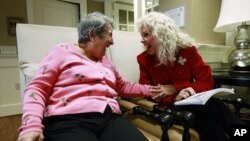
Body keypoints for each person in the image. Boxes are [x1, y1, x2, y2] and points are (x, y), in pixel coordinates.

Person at [17, 12, 164, 141]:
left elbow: (122, 86)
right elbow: (37, 88)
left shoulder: (106, 61)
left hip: (109, 119)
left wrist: (152, 90)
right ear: (92, 35)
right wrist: (31, 125)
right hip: (68, 120)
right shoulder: (61, 52)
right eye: (110, 35)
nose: (112, 41)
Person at [136, 12, 245, 141]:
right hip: (169, 109)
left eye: (146, 35)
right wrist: (175, 97)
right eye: (142, 35)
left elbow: (206, 82)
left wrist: (179, 87)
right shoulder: (143, 60)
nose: (142, 40)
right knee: (213, 106)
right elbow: (148, 92)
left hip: (193, 105)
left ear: (160, 34)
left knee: (211, 126)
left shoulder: (188, 51)